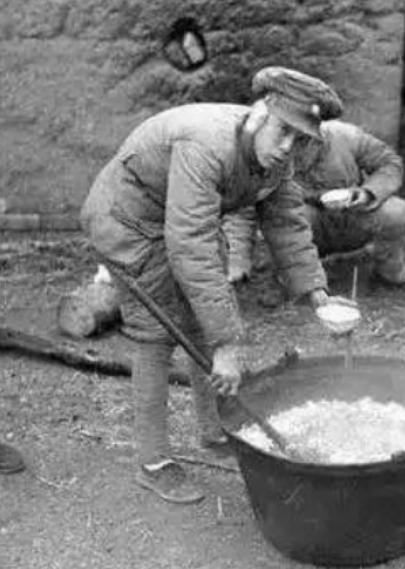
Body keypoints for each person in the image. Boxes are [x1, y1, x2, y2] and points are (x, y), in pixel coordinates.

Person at [80, 66, 347, 504]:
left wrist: (315, 289)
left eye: (301, 139)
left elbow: (286, 223)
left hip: (179, 224)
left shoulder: (278, 161)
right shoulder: (205, 145)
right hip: (128, 221)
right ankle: (153, 462)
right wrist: (227, 342)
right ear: (260, 113)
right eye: (283, 131)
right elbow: (190, 244)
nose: (287, 148)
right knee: (157, 336)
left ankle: (214, 432)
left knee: (205, 326)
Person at [224, 120, 405, 287]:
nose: (295, 148)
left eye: (305, 140)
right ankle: (299, 281)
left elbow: (390, 164)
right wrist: (237, 259)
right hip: (304, 227)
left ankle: (389, 276)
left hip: (355, 216)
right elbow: (244, 209)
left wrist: (367, 193)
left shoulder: (345, 135)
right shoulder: (269, 153)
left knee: (396, 213)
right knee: (288, 214)